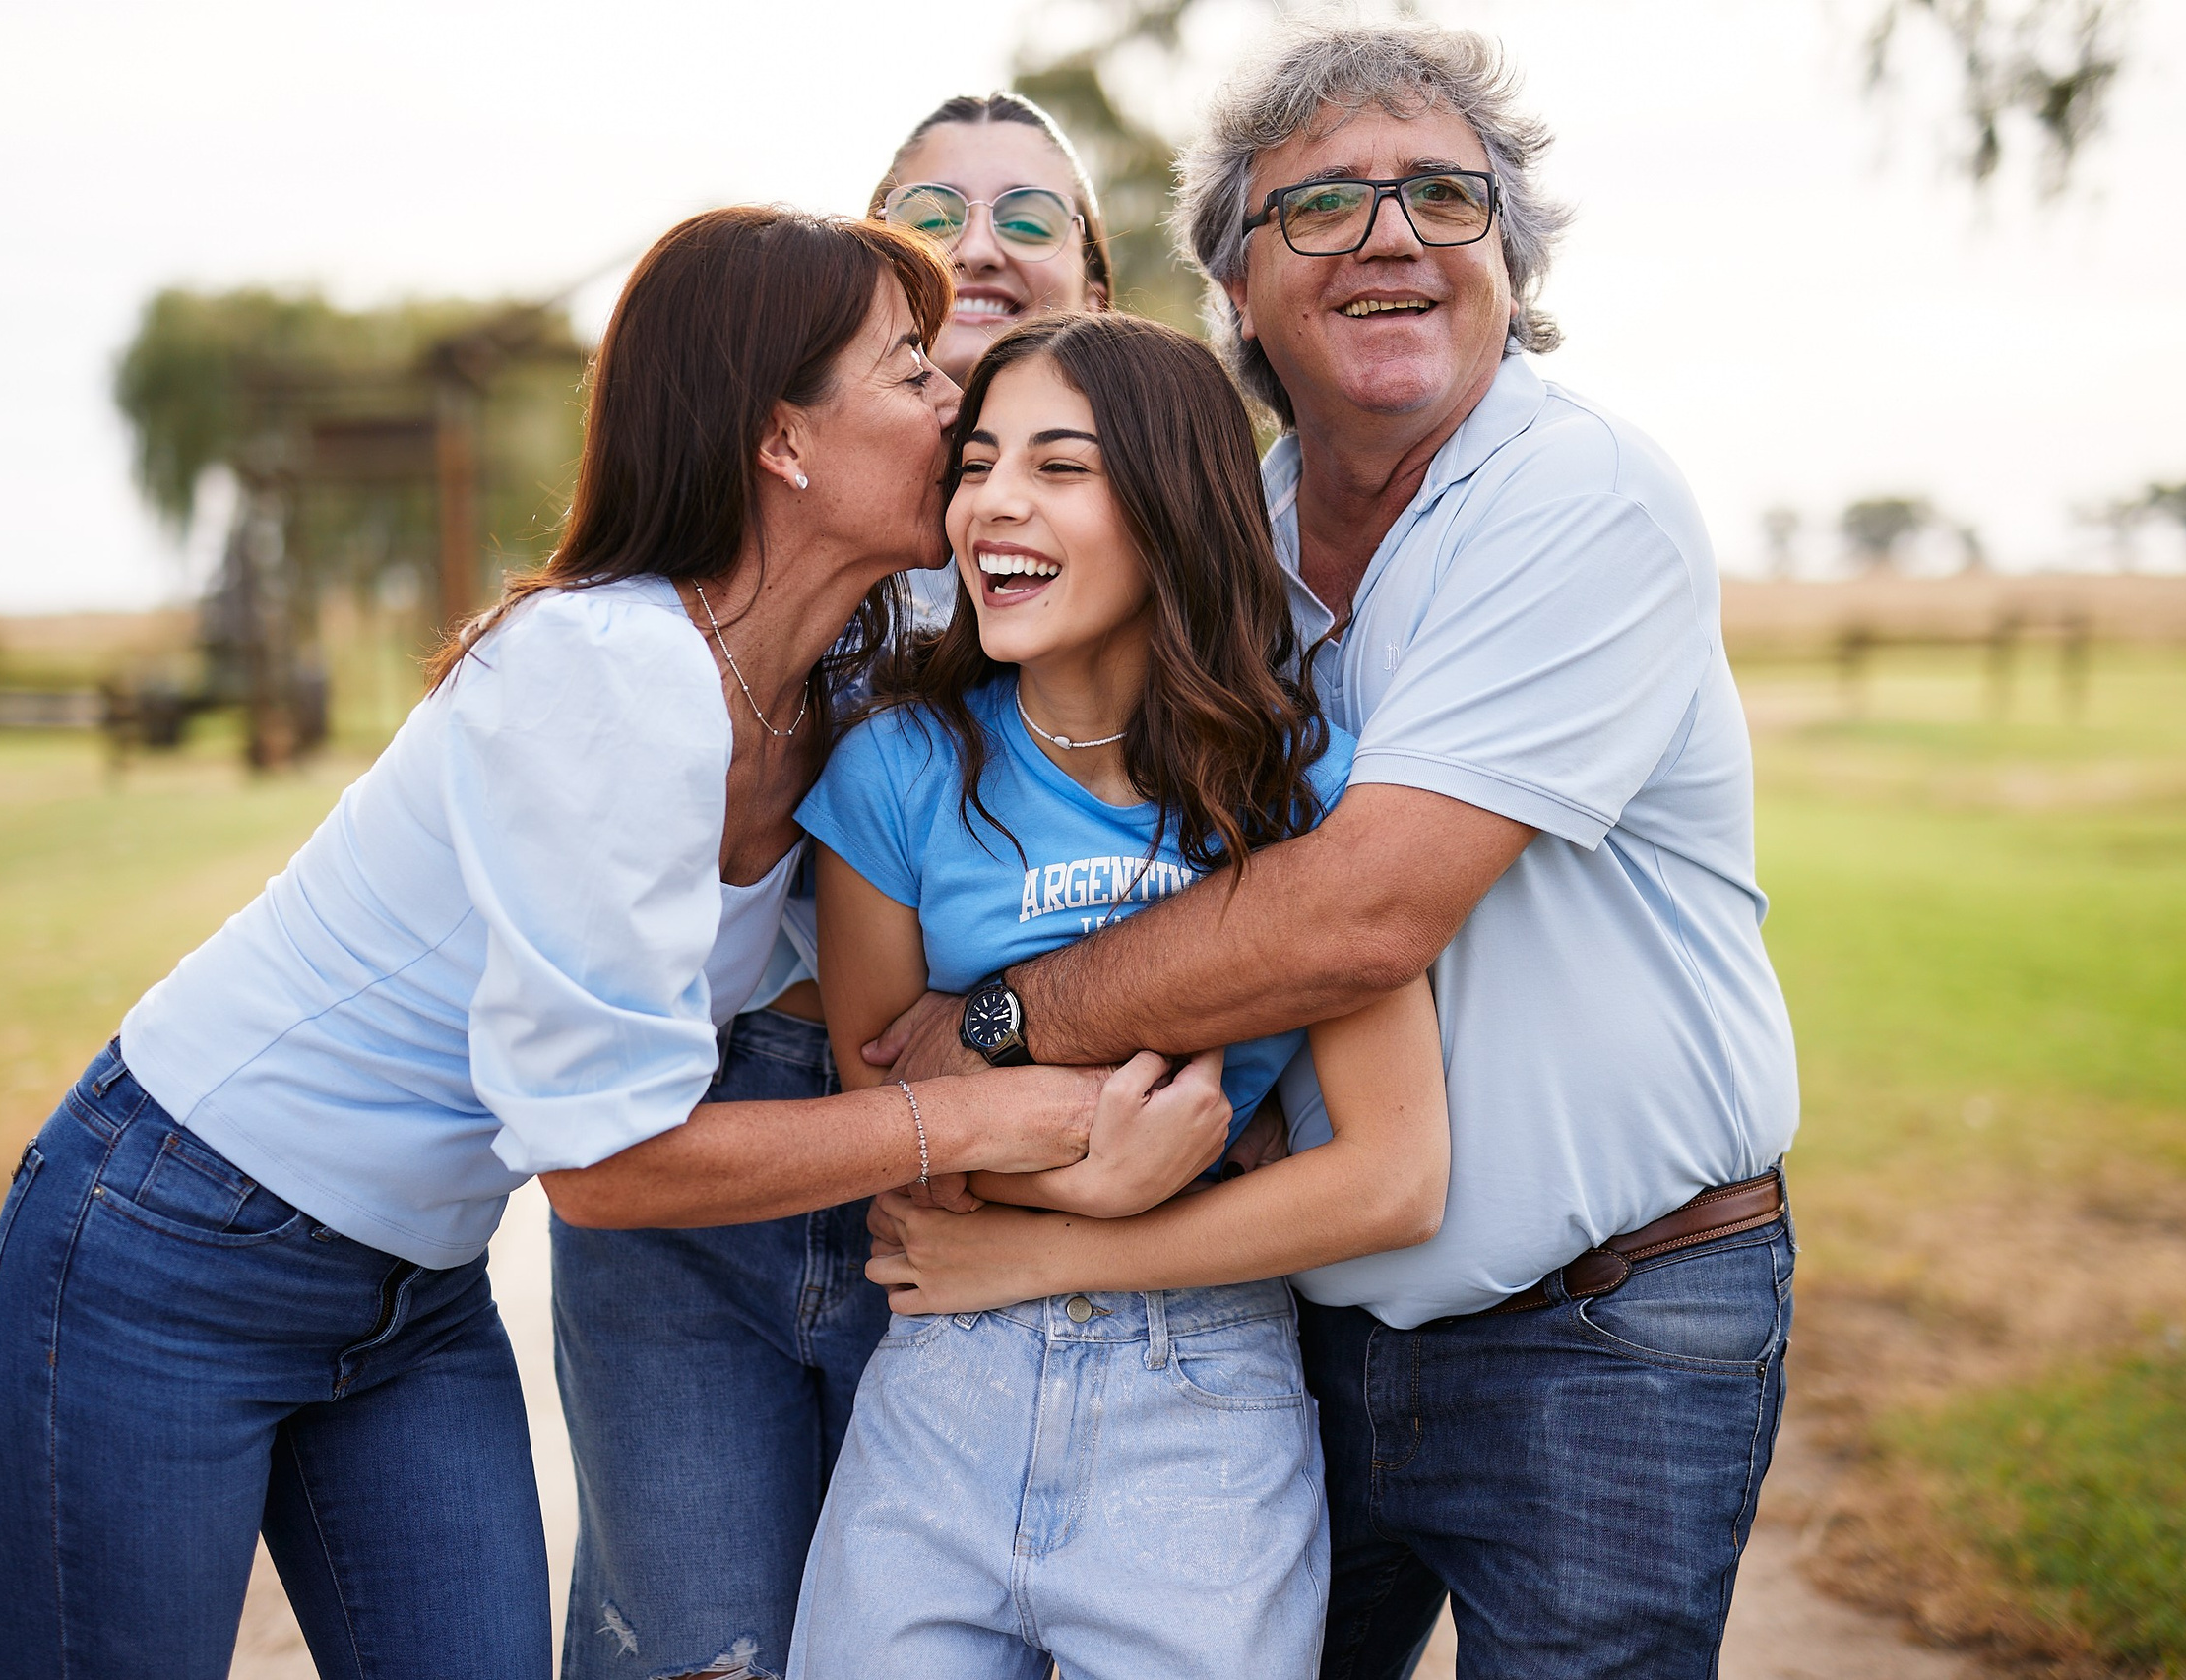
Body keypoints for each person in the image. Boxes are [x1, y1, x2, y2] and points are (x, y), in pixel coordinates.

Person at [0, 206, 1230, 1680]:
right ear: (781, 439)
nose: (958, 399)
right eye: (911, 374)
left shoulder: (827, 696)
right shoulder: (606, 669)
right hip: (171, 1239)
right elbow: (608, 1163)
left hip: (410, 1294)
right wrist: (1001, 1111)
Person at [866, 20, 1803, 1679]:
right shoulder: (1222, 541)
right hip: (1310, 1320)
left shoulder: (1577, 496)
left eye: (1446, 196)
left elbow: (1356, 912)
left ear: (1509, 256)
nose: (1390, 233)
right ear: (1234, 286)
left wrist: (999, 1031)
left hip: (1605, 1323)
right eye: (1320, 208)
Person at [785, 310, 1449, 1678]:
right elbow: (886, 1128)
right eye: (975, 463)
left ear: (1172, 507)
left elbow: (1392, 1179)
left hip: (1200, 1410)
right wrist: (1104, 1176)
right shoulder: (897, 770)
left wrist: (1062, 1227)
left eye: (1061, 466)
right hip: (942, 1390)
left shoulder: (1300, 781)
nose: (995, 503)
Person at [549, 92, 1116, 1680]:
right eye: (928, 219)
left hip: (979, 1145)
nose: (979, 247)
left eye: (1030, 214)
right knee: (693, 1640)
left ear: (1099, 277)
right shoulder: (764, 511)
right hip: (717, 1118)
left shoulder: (1154, 556)